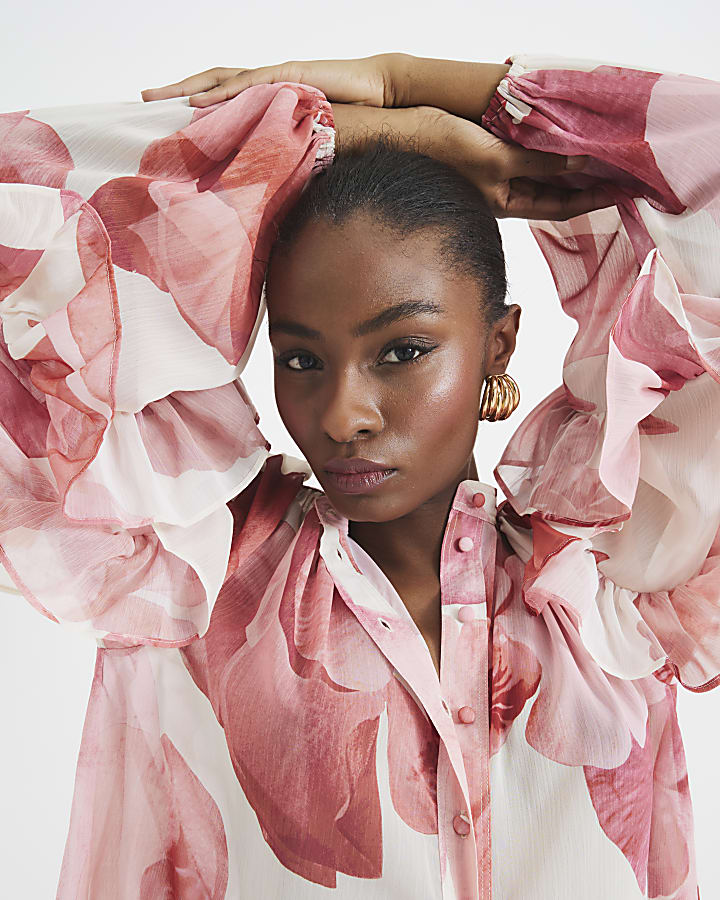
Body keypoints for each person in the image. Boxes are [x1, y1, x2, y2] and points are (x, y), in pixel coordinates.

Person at [1, 51, 718, 899]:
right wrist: (328, 138)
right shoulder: (185, 575)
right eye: (302, 358)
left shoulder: (615, 579)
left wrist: (401, 82)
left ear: (499, 344)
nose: (344, 414)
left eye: (402, 351)